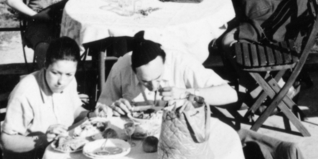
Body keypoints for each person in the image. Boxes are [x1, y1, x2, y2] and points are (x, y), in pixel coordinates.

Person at [99, 33, 239, 112]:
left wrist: (186, 93)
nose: (153, 87)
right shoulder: (121, 68)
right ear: (132, 70)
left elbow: (230, 94)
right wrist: (113, 108)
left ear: (165, 62)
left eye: (158, 77)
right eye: (145, 81)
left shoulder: (182, 63)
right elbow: (102, 109)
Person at [1, 38, 90, 156]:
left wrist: (91, 115)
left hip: (58, 152)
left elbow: (74, 110)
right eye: (55, 73)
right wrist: (44, 139)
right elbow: (5, 142)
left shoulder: (70, 80)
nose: (61, 82)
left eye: (68, 74)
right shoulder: (25, 91)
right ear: (45, 65)